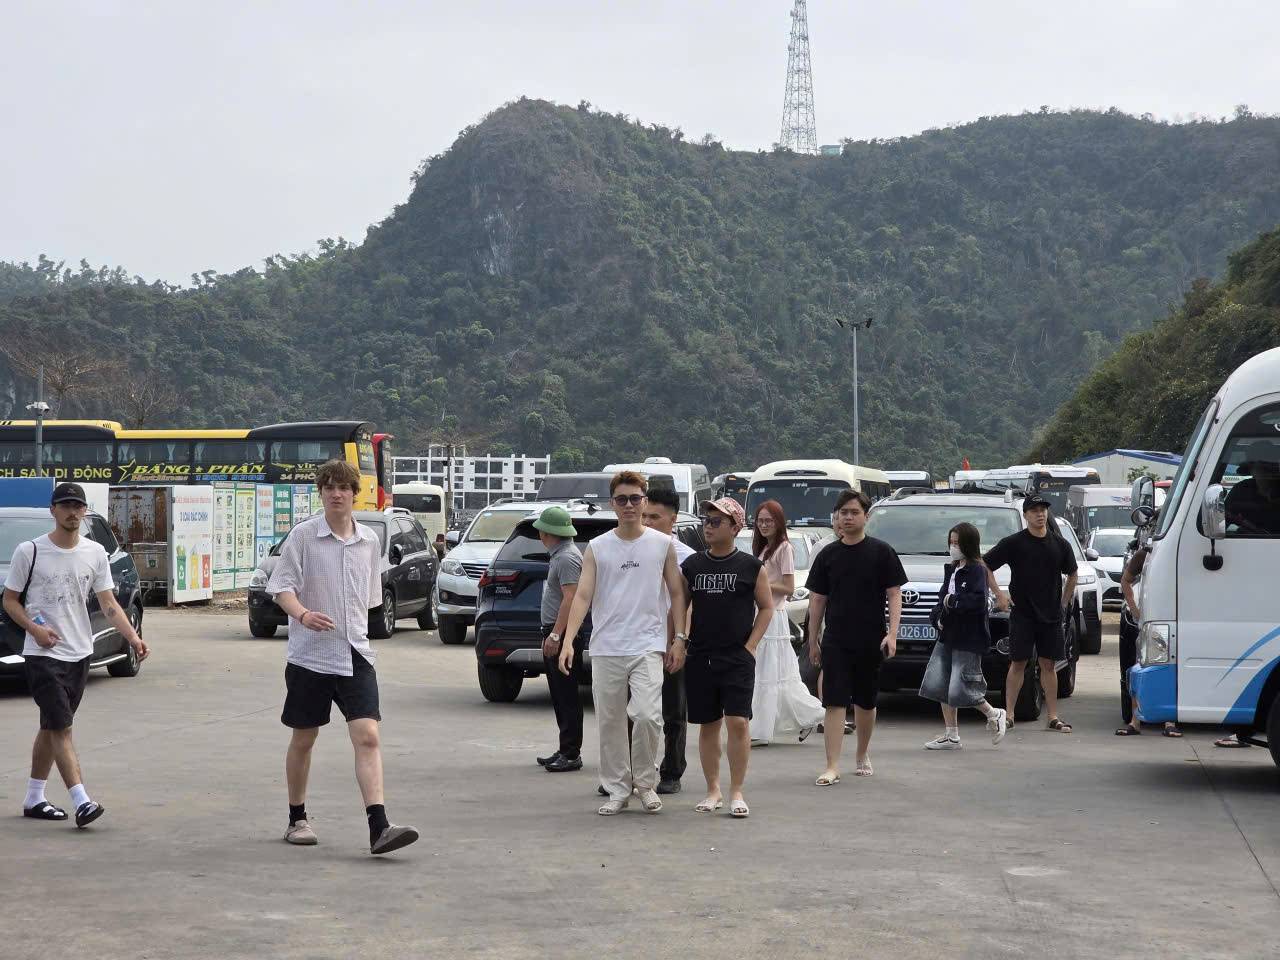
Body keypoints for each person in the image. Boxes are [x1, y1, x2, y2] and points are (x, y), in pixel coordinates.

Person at [268, 459, 418, 855]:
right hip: (310, 657)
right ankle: (296, 818)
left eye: (343, 487)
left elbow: (369, 600)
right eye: (329, 487)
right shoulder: (302, 537)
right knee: (305, 737)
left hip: (355, 653)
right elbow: (281, 588)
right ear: (321, 493)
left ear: (355, 493)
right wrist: (302, 614)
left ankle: (379, 827)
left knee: (367, 736)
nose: (336, 494)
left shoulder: (369, 541)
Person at [3, 482, 149, 827]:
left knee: (51, 725)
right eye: (65, 505)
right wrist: (35, 630)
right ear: (53, 510)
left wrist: (132, 637)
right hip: (42, 653)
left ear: (84, 512)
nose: (72, 512)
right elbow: (9, 600)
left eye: (77, 506)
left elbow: (108, 603)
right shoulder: (30, 551)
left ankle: (34, 798)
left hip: (80, 652)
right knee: (62, 727)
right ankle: (81, 800)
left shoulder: (95, 553)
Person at [559, 471, 687, 816]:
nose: (628, 505)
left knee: (647, 716)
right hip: (606, 647)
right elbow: (582, 595)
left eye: (635, 499)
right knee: (611, 721)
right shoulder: (598, 547)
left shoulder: (662, 545)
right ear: (611, 503)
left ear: (644, 501)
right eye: (621, 499)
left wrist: (679, 639)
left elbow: (677, 593)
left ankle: (645, 783)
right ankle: (618, 787)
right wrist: (569, 640)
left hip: (647, 645)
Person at [679, 498, 773, 818]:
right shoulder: (692, 566)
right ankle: (712, 789)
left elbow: (767, 608)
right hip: (701, 655)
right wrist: (681, 640)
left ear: (735, 527)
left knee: (737, 722)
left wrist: (751, 646)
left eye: (717, 521)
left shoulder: (750, 566)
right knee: (708, 724)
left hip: (737, 656)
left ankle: (736, 791)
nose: (708, 525)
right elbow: (680, 605)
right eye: (706, 520)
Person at [806, 490, 907, 784]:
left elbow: (894, 593)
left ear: (865, 516)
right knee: (834, 702)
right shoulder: (828, 555)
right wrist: (813, 640)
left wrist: (892, 633)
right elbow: (817, 600)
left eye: (853, 512)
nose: (847, 517)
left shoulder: (881, 552)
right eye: (843, 513)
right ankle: (832, 765)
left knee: (865, 702)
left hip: (871, 638)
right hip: (836, 639)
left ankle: (862, 753)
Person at [984, 494, 1077, 733]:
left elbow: (1073, 573)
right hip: (1022, 614)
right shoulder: (1014, 543)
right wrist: (999, 594)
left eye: (1043, 509)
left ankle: (1053, 716)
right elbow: (985, 565)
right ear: (1025, 515)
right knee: (1018, 663)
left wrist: (1064, 603)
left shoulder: (1060, 544)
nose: (1040, 514)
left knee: (1048, 664)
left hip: (1051, 615)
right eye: (1034, 510)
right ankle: (1010, 715)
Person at [919, 523, 1007, 748]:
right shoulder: (952, 568)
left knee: (963, 686)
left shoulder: (977, 569)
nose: (953, 547)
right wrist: (937, 616)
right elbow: (941, 598)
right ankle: (951, 735)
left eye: (957, 543)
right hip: (947, 633)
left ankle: (994, 714)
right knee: (940, 683)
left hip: (969, 637)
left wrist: (953, 602)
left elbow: (977, 602)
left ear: (968, 544)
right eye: (951, 542)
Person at [748, 500, 823, 745]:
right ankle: (807, 716)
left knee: (769, 673)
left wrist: (759, 585)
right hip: (761, 614)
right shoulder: (764, 548)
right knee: (774, 673)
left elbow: (789, 587)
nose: (764, 525)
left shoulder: (784, 548)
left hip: (775, 615)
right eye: (760, 521)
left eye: (769, 520)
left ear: (779, 522)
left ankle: (762, 730)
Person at [640, 487, 696, 794]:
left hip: (670, 643)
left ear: (672, 520)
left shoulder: (686, 558)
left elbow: (686, 604)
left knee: (673, 711)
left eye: (655, 517)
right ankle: (632, 772)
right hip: (637, 643)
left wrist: (679, 641)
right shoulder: (632, 549)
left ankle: (672, 771)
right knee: (635, 713)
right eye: (645, 515)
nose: (647, 522)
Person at [533, 506, 586, 772]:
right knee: (559, 694)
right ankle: (565, 748)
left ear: (548, 532)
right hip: (556, 631)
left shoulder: (566, 558)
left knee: (566, 695)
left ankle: (571, 752)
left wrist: (556, 635)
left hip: (563, 633)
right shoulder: (560, 555)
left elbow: (571, 598)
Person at [1115, 542, 1181, 737]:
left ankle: (1170, 721)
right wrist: (1135, 610)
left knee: (1169, 670)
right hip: (1149, 622)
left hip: (1171, 621)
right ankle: (1135, 721)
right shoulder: (1145, 554)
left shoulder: (1179, 552)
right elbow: (1125, 581)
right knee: (1140, 669)